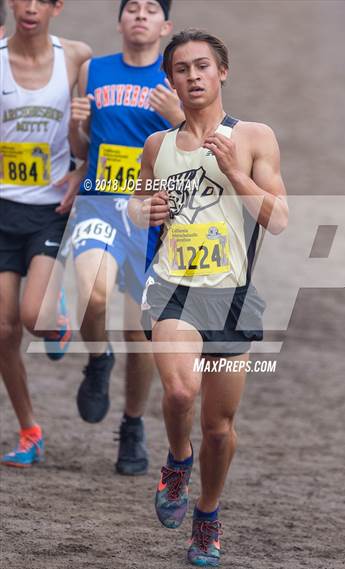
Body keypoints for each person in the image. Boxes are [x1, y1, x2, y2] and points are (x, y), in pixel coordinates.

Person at [128, 29, 288, 567]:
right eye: (181, 69)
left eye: (202, 67)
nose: (192, 76)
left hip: (231, 295)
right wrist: (143, 211)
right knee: (179, 392)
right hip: (172, 287)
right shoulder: (158, 146)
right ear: (169, 79)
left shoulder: (255, 136)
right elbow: (138, 203)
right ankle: (177, 460)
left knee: (219, 428)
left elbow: (280, 218)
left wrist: (237, 174)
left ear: (223, 73)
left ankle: (208, 513)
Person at [69, 0, 183, 475]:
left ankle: (132, 424)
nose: (140, 15)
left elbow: (198, 147)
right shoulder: (93, 70)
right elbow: (79, 149)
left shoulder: (176, 75)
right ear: (119, 21)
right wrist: (78, 126)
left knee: (141, 333)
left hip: (151, 215)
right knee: (93, 296)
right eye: (131, 8)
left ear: (165, 25)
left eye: (150, 9)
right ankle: (98, 358)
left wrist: (179, 115)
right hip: (99, 201)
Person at [0, 0, 91, 468]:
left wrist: (82, 170)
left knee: (34, 317)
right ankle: (30, 430)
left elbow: (91, 132)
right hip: (2, 209)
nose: (30, 8)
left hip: (48, 209)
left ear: (57, 7)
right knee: (2, 330)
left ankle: (56, 311)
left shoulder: (76, 56)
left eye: (42, 0)